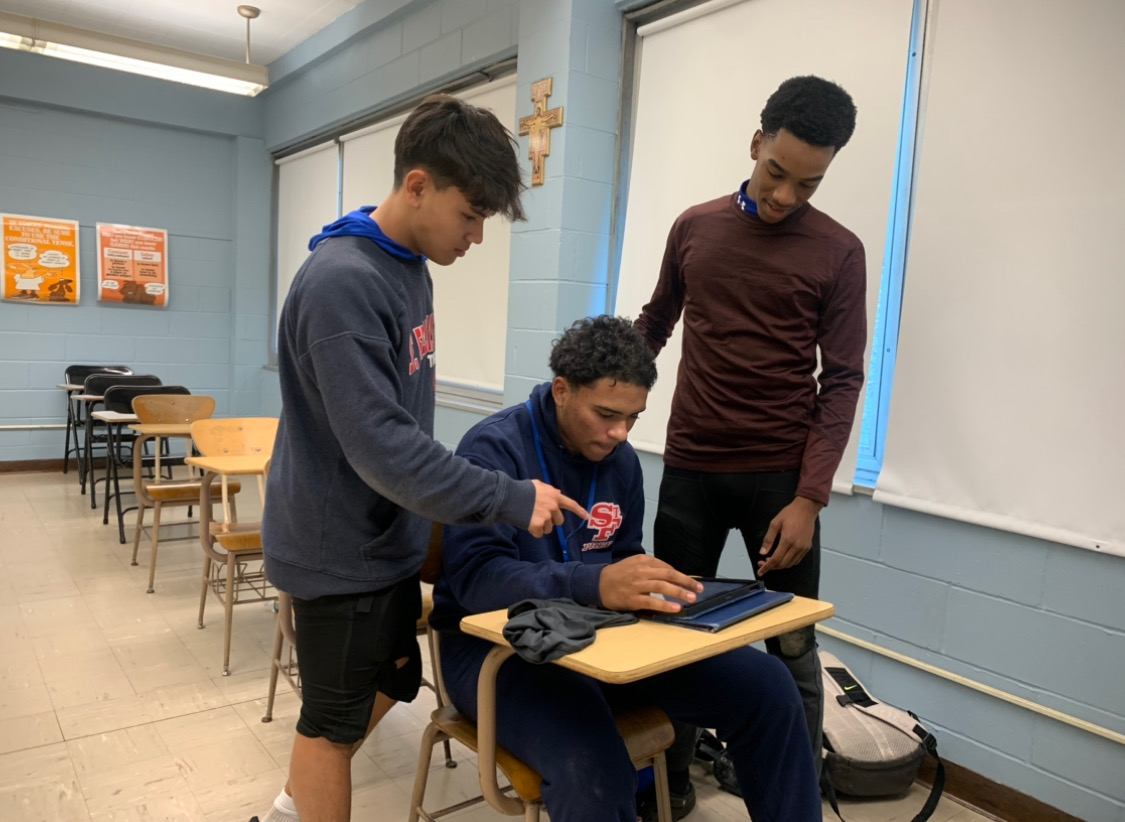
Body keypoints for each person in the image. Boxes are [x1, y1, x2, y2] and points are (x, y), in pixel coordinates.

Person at [257, 95, 588, 822]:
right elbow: (384, 446)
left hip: (385, 540)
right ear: (417, 186)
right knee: (329, 728)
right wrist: (509, 496)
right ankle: (295, 806)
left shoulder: (407, 268)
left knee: (394, 681)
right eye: (469, 214)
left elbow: (402, 426)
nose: (476, 235)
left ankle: (288, 809)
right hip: (338, 550)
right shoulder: (343, 281)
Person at [429, 315, 822, 822]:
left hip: (602, 642)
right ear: (562, 390)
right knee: (593, 764)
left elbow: (622, 560)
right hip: (497, 653)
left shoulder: (621, 462)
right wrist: (594, 583)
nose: (620, 433)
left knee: (769, 687)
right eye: (606, 414)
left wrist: (656, 593)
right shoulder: (493, 449)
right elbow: (478, 583)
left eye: (633, 418)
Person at [634, 74, 867, 805]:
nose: (785, 196)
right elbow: (655, 323)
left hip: (780, 487)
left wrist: (810, 500)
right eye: (776, 173)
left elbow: (843, 380)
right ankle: (668, 792)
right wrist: (606, 400)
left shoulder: (839, 251)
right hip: (690, 475)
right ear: (756, 142)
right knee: (670, 639)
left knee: (791, 650)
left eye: (808, 184)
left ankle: (791, 801)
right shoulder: (694, 227)